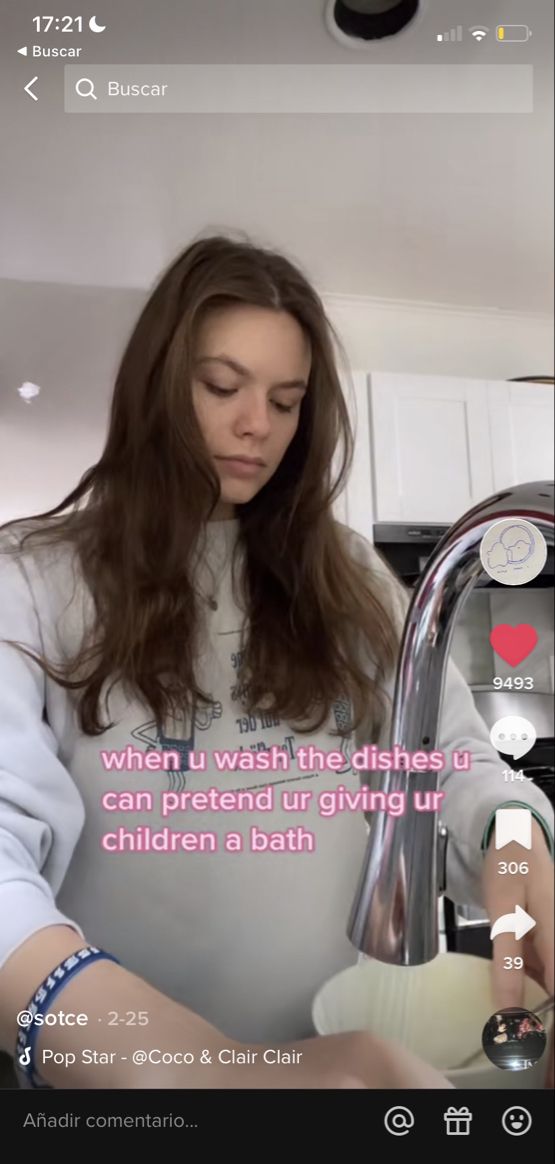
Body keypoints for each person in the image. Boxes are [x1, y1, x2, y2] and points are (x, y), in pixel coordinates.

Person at [0, 234, 553, 1091]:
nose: (257, 424)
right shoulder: (33, 580)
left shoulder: (348, 575)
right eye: (221, 386)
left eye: (286, 400)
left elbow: (448, 762)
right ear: (154, 385)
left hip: (357, 1057)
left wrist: (514, 843)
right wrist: (209, 1075)